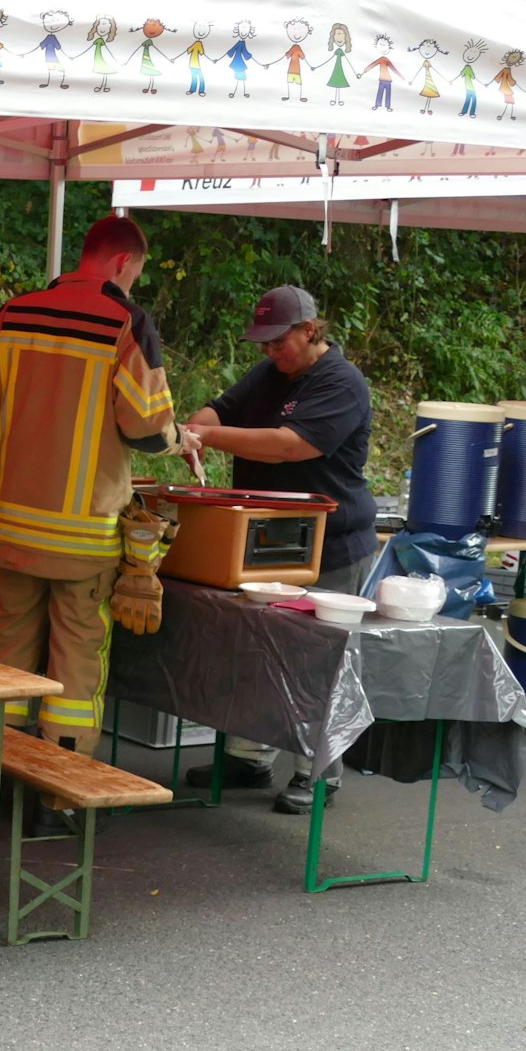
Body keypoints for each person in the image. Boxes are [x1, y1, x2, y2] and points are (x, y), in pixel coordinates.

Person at [0, 216, 199, 790]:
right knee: (75, 674)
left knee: (2, 664)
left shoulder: (12, 315)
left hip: (8, 533)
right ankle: (57, 795)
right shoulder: (125, 322)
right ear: (123, 264)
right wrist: (182, 438)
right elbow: (146, 431)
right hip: (85, 544)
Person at [183, 285, 376, 814]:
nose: (270, 351)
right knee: (254, 651)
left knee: (320, 662)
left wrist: (211, 439)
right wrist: (196, 429)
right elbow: (221, 408)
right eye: (263, 343)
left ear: (311, 331)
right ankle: (249, 755)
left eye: (279, 341)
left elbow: (293, 444)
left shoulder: (341, 382)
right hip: (267, 540)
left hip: (330, 544)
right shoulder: (268, 374)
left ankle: (319, 775)